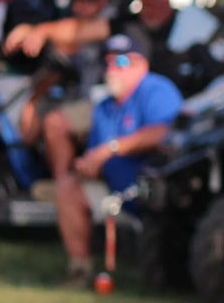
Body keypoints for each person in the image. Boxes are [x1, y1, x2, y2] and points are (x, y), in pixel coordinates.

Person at [56, 34, 183, 288]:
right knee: (68, 186)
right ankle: (80, 271)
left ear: (142, 65)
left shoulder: (155, 89)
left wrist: (111, 149)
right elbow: (97, 154)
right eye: (109, 61)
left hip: (158, 194)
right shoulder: (104, 107)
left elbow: (166, 133)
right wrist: (89, 165)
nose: (112, 68)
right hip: (117, 191)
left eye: (121, 61)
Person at [3, 0, 224, 97]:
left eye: (155, 2)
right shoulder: (131, 23)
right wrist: (41, 30)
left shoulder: (191, 27)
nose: (149, 9)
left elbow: (221, 74)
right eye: (144, 2)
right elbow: (81, 30)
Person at [18, 0, 111, 182]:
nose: (82, 5)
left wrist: (40, 31)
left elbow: (77, 32)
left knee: (55, 122)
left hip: (101, 103)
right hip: (73, 97)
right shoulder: (66, 20)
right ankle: (24, 175)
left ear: (102, 1)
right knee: (32, 108)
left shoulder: (109, 21)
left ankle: (63, 186)